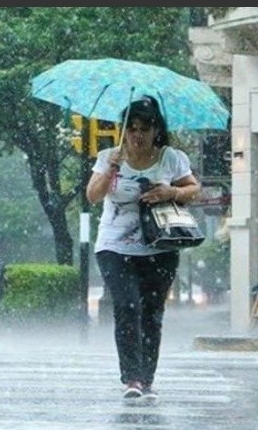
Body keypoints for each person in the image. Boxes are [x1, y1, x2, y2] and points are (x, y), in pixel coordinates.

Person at [85, 95, 200, 404]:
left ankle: (147, 378)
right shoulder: (110, 156)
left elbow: (194, 188)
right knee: (126, 306)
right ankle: (131, 377)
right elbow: (93, 196)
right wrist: (110, 169)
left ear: (155, 130)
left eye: (144, 129)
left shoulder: (171, 157)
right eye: (131, 128)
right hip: (113, 246)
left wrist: (171, 191)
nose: (137, 135)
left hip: (159, 247)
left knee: (151, 313)